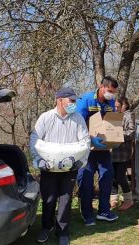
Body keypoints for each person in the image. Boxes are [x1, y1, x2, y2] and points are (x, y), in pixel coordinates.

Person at [30, 87, 90, 245]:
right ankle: (46, 227)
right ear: (60, 100)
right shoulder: (46, 118)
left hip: (69, 168)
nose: (74, 103)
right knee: (49, 199)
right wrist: (39, 160)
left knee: (66, 199)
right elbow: (34, 140)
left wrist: (80, 162)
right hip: (48, 168)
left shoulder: (78, 119)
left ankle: (63, 230)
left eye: (74, 101)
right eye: (71, 100)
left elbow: (85, 141)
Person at [76, 76, 119, 226]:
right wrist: (90, 138)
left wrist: (115, 138)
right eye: (109, 91)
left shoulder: (111, 102)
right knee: (86, 180)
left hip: (103, 149)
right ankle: (87, 214)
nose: (111, 94)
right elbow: (78, 123)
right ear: (101, 87)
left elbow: (111, 122)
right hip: (86, 149)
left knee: (107, 176)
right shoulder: (86, 100)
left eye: (113, 92)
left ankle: (104, 211)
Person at [110, 97, 135, 211]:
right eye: (115, 106)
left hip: (123, 152)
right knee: (112, 177)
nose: (116, 108)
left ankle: (128, 200)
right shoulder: (115, 115)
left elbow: (131, 132)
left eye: (118, 106)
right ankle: (113, 199)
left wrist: (118, 133)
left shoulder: (128, 115)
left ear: (124, 105)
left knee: (120, 176)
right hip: (113, 151)